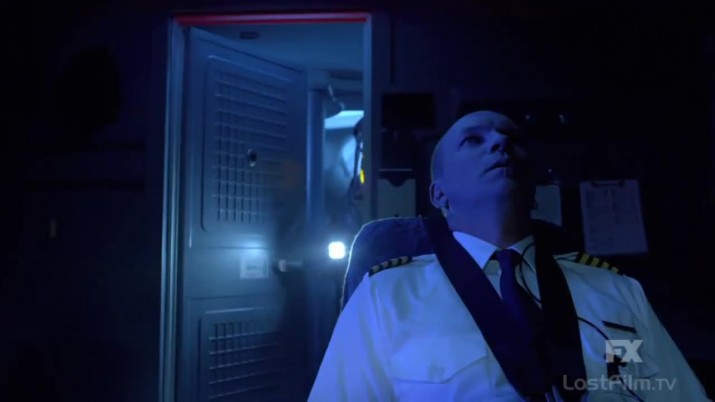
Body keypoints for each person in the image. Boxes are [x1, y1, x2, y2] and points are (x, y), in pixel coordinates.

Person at [308, 111, 711, 401]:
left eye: (512, 139)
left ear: (535, 188)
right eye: (474, 140)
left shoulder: (617, 293)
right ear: (439, 193)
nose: (500, 144)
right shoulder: (386, 296)